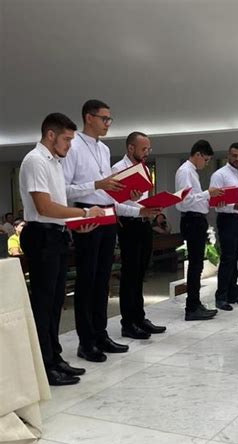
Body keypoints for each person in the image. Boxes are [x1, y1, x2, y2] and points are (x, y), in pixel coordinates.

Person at [63, 99, 156, 362]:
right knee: (87, 280)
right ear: (88, 117)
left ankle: (101, 334)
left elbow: (110, 191)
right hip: (86, 213)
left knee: (103, 279)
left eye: (109, 120)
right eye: (104, 118)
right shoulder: (74, 147)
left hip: (108, 213)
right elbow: (65, 189)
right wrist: (97, 184)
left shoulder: (104, 149)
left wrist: (132, 198)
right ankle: (86, 340)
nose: (107, 123)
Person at [19, 112, 105, 386]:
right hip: (40, 236)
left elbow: (57, 206)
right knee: (44, 304)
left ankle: (54, 358)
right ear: (51, 135)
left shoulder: (55, 162)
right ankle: (44, 366)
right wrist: (82, 214)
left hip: (55, 234)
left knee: (57, 301)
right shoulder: (35, 161)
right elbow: (44, 207)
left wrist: (75, 224)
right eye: (67, 139)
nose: (70, 144)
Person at [112, 132, 166, 340]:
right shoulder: (118, 169)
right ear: (131, 148)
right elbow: (114, 204)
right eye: (144, 149)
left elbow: (141, 199)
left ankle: (139, 317)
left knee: (141, 273)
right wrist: (137, 209)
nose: (147, 153)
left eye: (149, 149)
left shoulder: (143, 168)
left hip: (144, 224)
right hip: (129, 225)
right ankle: (128, 323)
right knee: (130, 275)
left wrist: (153, 208)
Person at [175, 139, 223, 321]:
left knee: (198, 265)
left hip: (197, 220)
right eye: (207, 159)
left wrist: (208, 198)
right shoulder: (185, 171)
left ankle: (195, 303)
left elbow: (194, 199)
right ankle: (192, 307)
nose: (207, 163)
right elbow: (185, 201)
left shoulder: (191, 172)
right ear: (198, 155)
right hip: (191, 220)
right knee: (195, 266)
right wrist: (207, 194)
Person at [210, 142, 238, 311]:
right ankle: (221, 297)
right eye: (234, 155)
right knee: (228, 259)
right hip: (227, 219)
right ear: (228, 155)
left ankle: (233, 293)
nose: (237, 159)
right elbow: (215, 203)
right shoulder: (219, 175)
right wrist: (233, 206)